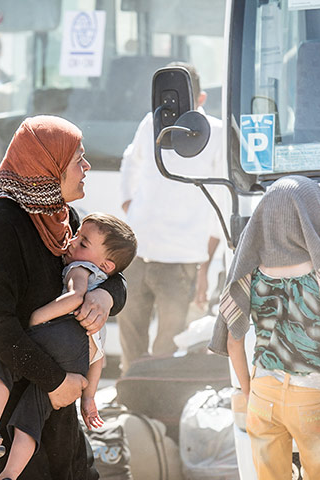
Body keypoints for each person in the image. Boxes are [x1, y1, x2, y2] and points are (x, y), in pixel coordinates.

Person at [0, 115, 127, 480]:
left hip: (45, 405)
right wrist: (55, 381)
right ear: (47, 167)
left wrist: (108, 297)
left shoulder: (63, 220)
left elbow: (109, 269)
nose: (87, 166)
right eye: (77, 158)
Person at [0, 212, 136, 478]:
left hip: (61, 334)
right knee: (32, 416)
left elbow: (75, 296)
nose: (72, 242)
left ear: (105, 265)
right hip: (82, 355)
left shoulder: (79, 268)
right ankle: (10, 474)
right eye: (76, 237)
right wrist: (89, 396)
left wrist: (38, 318)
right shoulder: (102, 274)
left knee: (4, 363)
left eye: (83, 243)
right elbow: (98, 357)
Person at [208, 176, 320, 480]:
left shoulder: (249, 272)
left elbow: (234, 341)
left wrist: (250, 394)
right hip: (314, 395)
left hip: (264, 392)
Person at [117, 62, 223, 372]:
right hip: (136, 254)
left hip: (181, 262)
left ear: (200, 98)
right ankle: (131, 405)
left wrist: (204, 267)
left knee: (168, 347)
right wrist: (128, 204)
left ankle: (158, 410)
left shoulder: (215, 133)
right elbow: (130, 161)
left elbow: (220, 200)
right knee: (130, 340)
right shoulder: (150, 122)